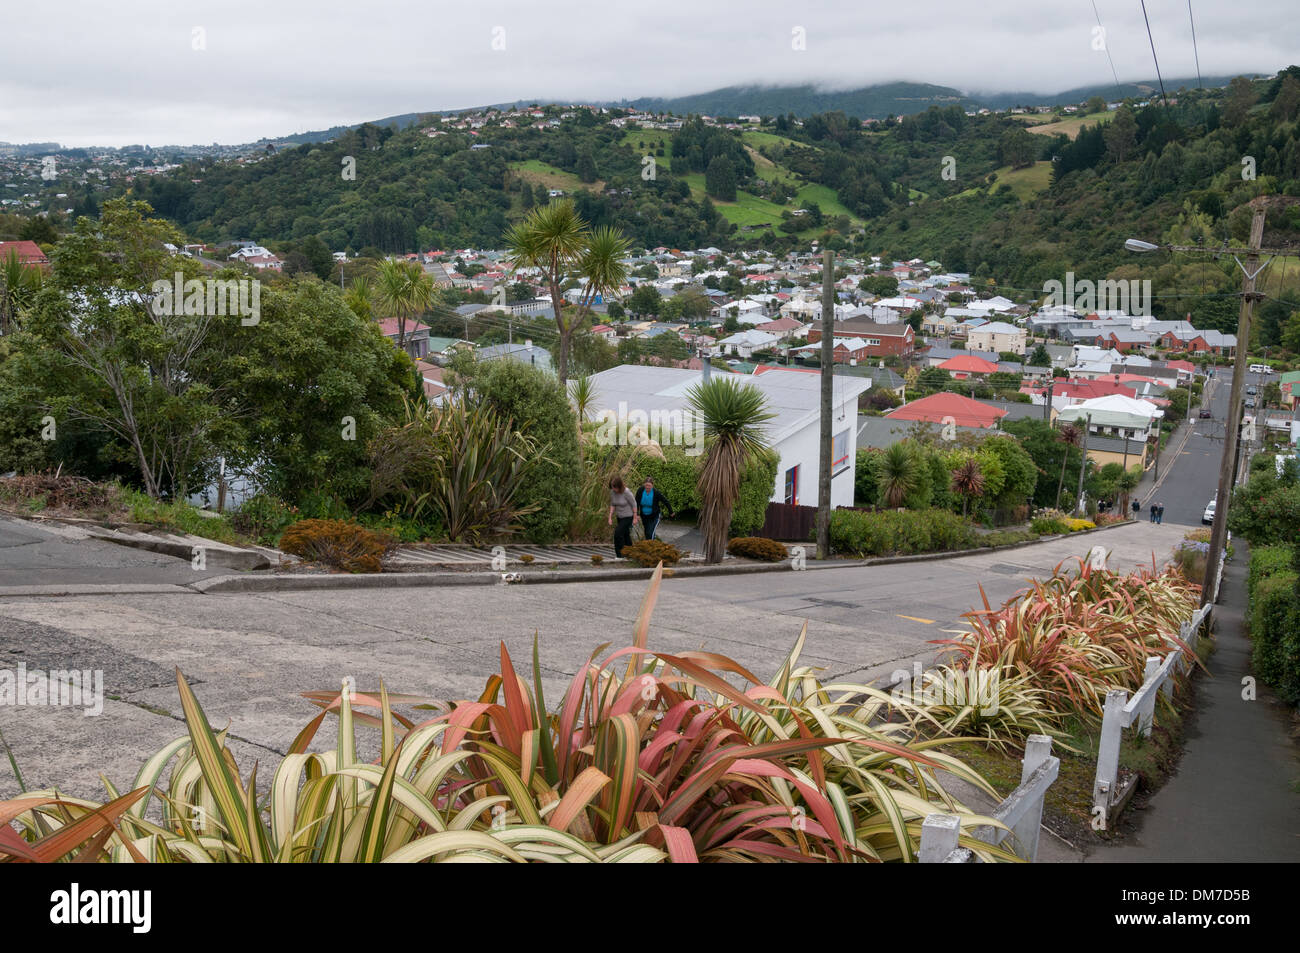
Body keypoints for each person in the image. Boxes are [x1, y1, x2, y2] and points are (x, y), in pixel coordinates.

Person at [633, 477, 674, 541]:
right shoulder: (640, 490)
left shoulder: (656, 492)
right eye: (646, 485)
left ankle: (650, 547)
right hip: (644, 516)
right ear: (644, 484)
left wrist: (671, 512)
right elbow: (636, 502)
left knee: (650, 533)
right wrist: (637, 514)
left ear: (652, 485)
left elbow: (665, 501)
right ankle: (652, 543)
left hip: (654, 516)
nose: (647, 487)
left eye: (649, 485)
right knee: (647, 533)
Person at [607, 475, 638, 557]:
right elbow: (613, 504)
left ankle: (620, 555)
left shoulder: (627, 492)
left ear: (620, 486)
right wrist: (610, 516)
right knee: (625, 535)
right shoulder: (613, 492)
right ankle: (631, 553)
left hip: (628, 517)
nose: (614, 489)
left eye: (615, 487)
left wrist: (635, 517)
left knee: (617, 533)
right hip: (619, 517)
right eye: (612, 487)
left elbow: (634, 503)